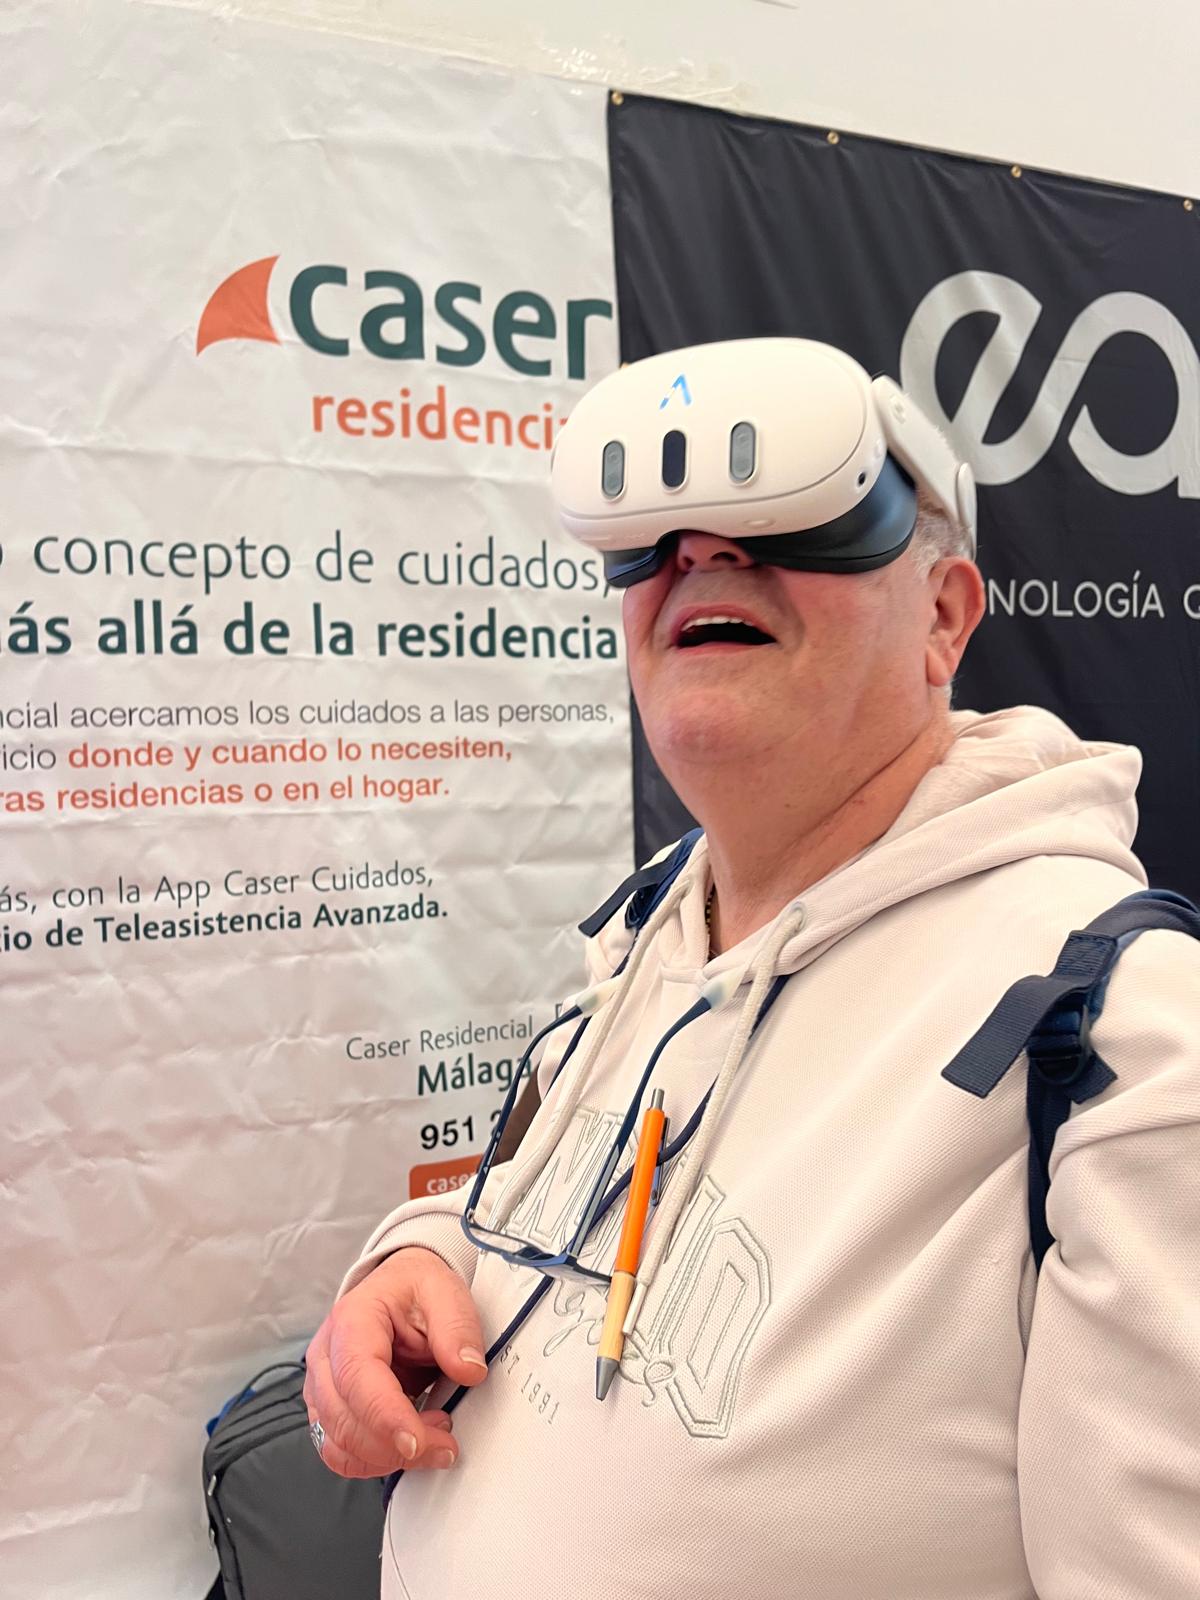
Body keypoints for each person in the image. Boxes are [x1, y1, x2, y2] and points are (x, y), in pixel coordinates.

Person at [305, 339, 1200, 1599]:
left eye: (796, 520)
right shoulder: (653, 937)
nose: (702, 555)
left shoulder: (1121, 1032)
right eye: (653, 542)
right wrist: (419, 1260)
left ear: (944, 617)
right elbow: (547, 1207)